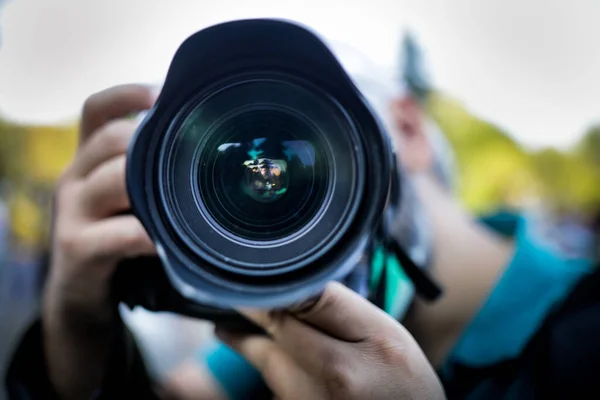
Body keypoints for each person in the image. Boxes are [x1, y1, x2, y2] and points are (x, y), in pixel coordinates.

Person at [162, 39, 595, 399]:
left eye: (315, 136)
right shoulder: (288, 329)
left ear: (406, 129)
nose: (278, 177)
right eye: (233, 160)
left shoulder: (586, 332)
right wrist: (93, 335)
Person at [4, 84, 446, 400]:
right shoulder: (289, 349)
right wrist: (77, 327)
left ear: (405, 129)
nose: (268, 168)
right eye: (234, 143)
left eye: (317, 113)